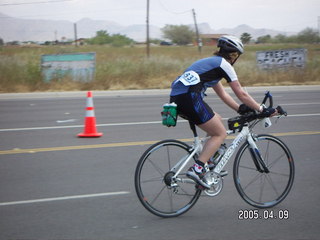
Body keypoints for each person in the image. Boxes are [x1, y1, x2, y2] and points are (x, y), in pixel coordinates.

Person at [170, 35, 277, 189]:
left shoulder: (212, 65)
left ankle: (207, 160)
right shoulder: (224, 65)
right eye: (236, 55)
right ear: (233, 55)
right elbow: (241, 93)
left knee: (217, 119)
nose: (235, 58)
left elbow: (223, 94)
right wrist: (262, 109)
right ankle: (198, 168)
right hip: (190, 97)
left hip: (177, 98)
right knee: (220, 133)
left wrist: (239, 109)